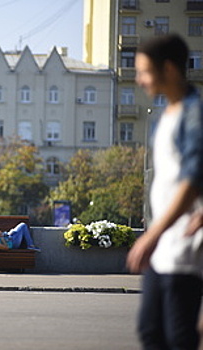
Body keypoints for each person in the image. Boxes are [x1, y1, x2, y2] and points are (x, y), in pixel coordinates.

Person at [126, 34, 203, 350]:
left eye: (144, 71)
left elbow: (193, 177)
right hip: (162, 249)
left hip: (182, 248)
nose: (139, 79)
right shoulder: (166, 117)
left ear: (169, 69)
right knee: (150, 332)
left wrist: (152, 234)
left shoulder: (193, 114)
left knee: (177, 338)